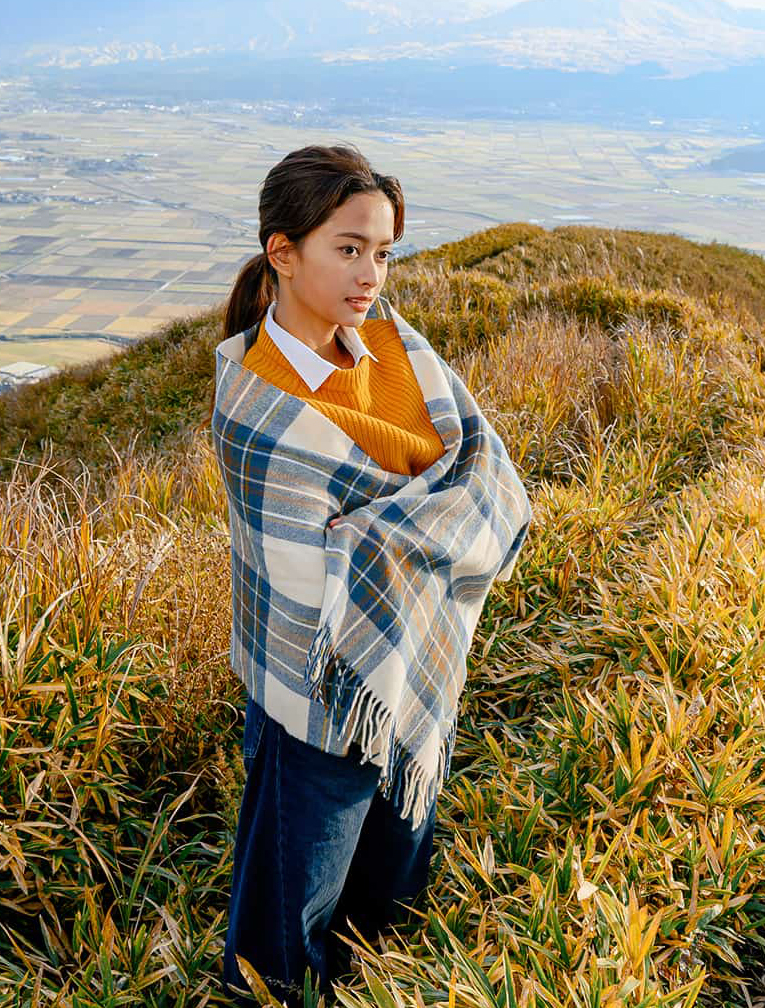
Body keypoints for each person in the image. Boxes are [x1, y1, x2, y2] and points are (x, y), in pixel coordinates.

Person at [209, 144, 531, 1006]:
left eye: (382, 252)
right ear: (284, 252)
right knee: (288, 912)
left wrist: (383, 529)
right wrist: (419, 518)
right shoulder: (255, 405)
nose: (370, 275)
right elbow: (321, 550)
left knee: (389, 883)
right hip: (314, 681)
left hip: (412, 664)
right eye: (348, 249)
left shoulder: (398, 350)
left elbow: (489, 473)